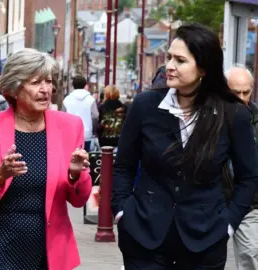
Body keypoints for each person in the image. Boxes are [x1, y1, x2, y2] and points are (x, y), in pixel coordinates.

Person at [112, 23, 258, 269]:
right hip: (144, 235)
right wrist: (121, 213)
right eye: (169, 57)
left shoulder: (233, 114)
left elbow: (249, 177)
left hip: (206, 238)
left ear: (203, 67)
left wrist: (229, 224)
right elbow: (123, 166)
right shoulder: (144, 106)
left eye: (180, 60)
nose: (169, 66)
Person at [0, 48, 92, 270]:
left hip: (46, 247)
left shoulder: (70, 126)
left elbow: (79, 200)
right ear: (14, 88)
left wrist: (74, 174)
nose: (45, 90)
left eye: (48, 81)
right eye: (35, 82)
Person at [225, 64, 258, 270]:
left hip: (250, 203)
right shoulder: (212, 117)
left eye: (246, 92)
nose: (242, 97)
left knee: (251, 255)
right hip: (215, 201)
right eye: (236, 92)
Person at [62, 74, 99, 152]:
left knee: (71, 159)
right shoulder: (90, 99)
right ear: (85, 84)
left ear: (73, 85)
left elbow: (62, 118)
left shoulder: (67, 100)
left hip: (70, 134)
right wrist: (93, 130)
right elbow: (95, 116)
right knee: (86, 158)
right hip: (86, 134)